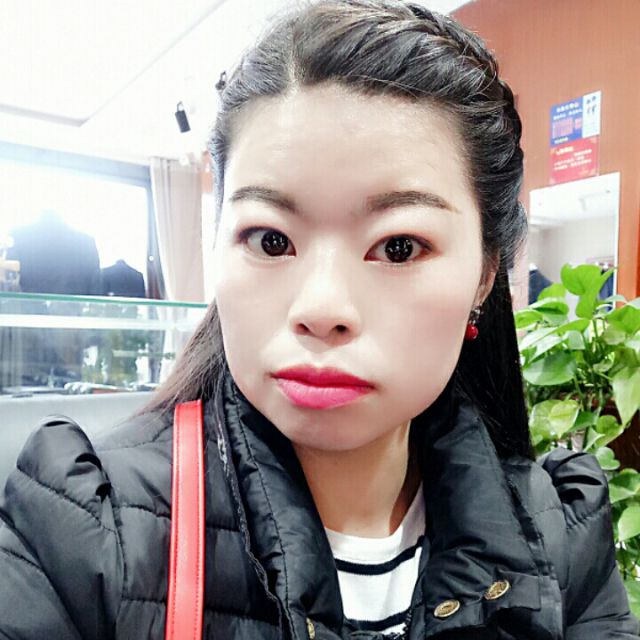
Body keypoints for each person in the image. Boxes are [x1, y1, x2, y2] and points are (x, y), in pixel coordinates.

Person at [0, 1, 637, 638]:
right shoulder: (82, 530)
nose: (322, 308)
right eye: (270, 240)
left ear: (485, 274)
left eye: (399, 247)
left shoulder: (558, 538)